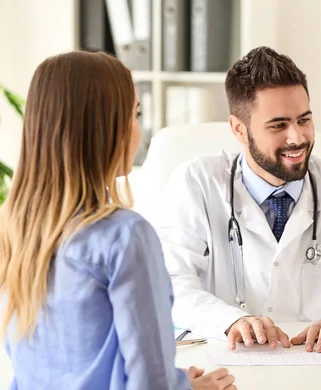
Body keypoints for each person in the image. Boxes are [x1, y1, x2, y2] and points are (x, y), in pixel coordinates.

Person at [151, 46, 321, 353]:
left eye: (304, 120)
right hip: (225, 359)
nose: (297, 137)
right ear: (239, 129)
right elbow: (169, 284)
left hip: (319, 364)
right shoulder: (196, 183)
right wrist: (230, 321)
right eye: (278, 125)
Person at [0, 51, 235, 390]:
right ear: (106, 129)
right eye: (133, 114)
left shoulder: (14, 230)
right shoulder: (125, 236)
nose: (138, 130)